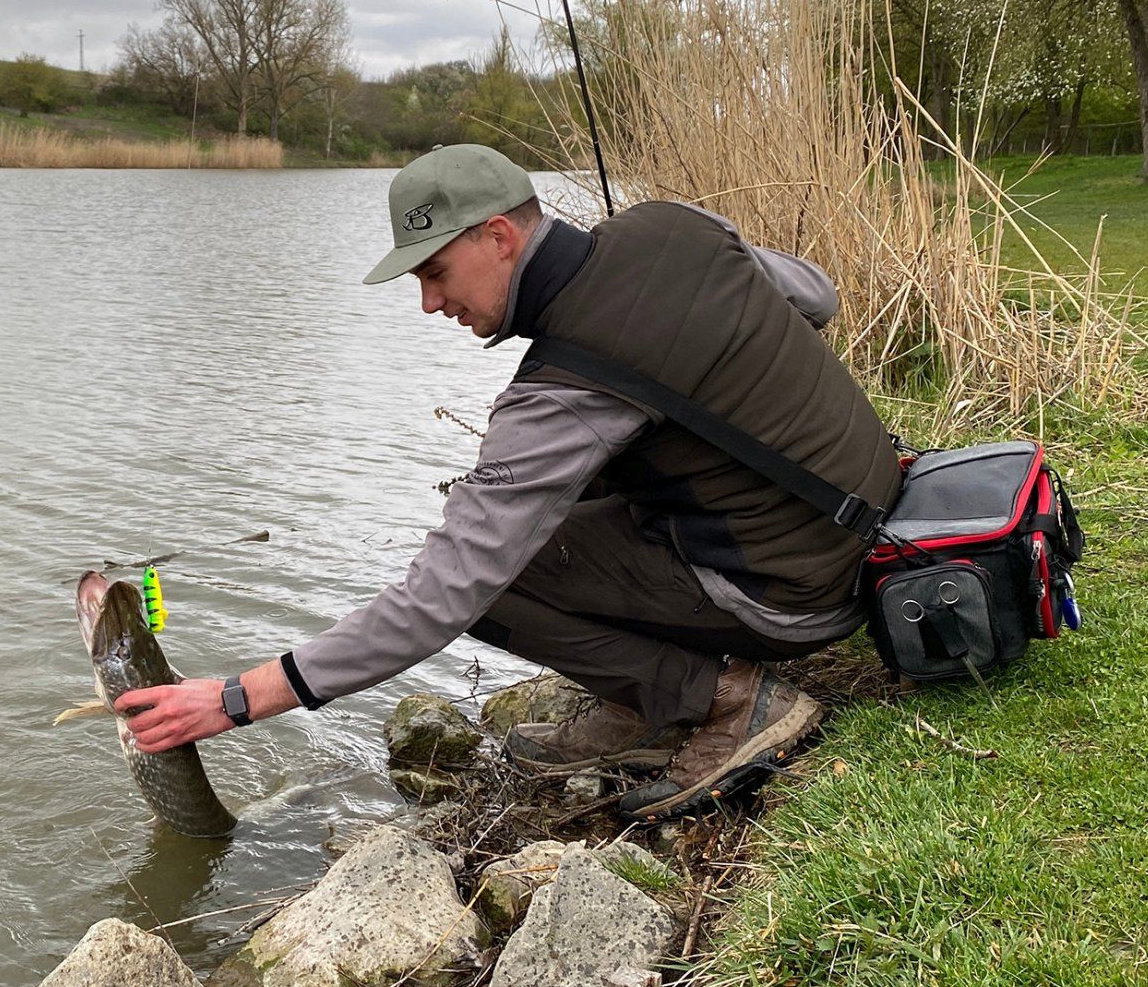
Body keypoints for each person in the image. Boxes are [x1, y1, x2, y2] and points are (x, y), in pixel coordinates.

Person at [114, 143, 901, 820]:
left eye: (435, 272)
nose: (430, 303)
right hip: (858, 522)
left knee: (490, 578)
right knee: (538, 507)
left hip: (788, 597)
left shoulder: (560, 389)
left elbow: (439, 597)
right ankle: (646, 702)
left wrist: (237, 697)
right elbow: (816, 297)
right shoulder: (674, 226)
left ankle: (728, 702)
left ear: (497, 236)